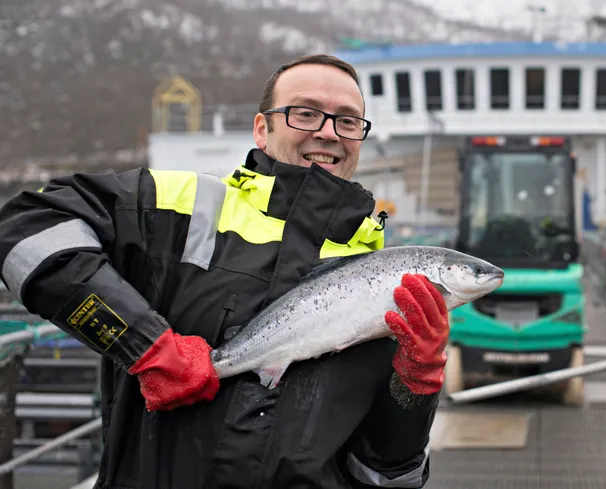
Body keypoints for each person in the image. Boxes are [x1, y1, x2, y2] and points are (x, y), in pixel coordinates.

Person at [0, 54, 449, 488]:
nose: (329, 133)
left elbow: (385, 475)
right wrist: (142, 344)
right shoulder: (175, 205)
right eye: (305, 114)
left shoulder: (388, 282)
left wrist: (416, 389)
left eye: (347, 121)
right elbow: (25, 229)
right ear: (262, 128)